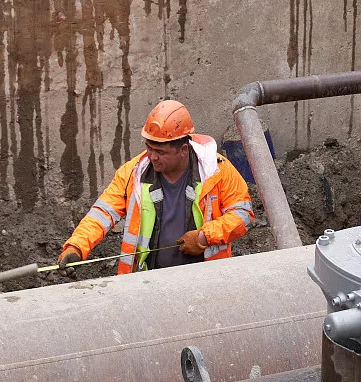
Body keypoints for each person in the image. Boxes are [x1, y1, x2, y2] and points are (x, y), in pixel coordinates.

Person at [58, 100, 254, 274]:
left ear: (183, 150)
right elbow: (102, 213)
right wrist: (76, 246)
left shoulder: (217, 171)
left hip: (205, 280)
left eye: (160, 151)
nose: (152, 157)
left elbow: (243, 215)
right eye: (149, 148)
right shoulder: (134, 173)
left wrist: (204, 237)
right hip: (148, 284)